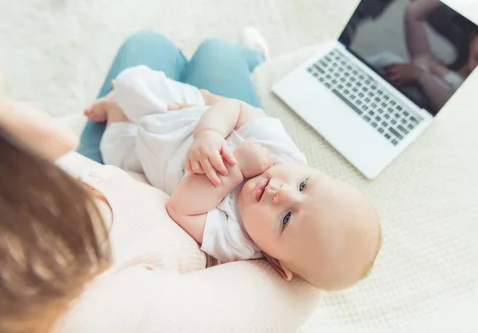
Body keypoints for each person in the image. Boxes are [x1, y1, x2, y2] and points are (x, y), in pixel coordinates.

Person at [0, 30, 321, 333]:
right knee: (216, 53)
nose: (282, 192)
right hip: (156, 165)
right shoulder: (114, 310)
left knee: (147, 45)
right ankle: (248, 58)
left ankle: (210, 64)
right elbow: (302, 287)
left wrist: (205, 108)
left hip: (122, 164)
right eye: (8, 101)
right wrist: (210, 121)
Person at [83, 65, 381, 290]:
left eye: (287, 218)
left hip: (149, 161)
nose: (283, 193)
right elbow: (237, 108)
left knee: (113, 152)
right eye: (303, 184)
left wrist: (236, 169)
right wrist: (209, 132)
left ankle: (115, 110)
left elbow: (180, 208)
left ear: (275, 261)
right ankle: (123, 95)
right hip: (183, 117)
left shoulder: (238, 240)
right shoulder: (282, 153)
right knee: (131, 82)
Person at [382, 0, 478, 113]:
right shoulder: (433, 67)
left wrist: (421, 76)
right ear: (472, 38)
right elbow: (412, 13)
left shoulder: (475, 100)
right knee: (387, 58)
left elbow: (452, 111)